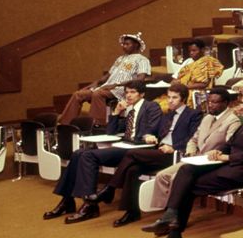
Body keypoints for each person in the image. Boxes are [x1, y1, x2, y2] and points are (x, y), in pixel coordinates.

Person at [143, 91, 243, 238]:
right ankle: (171, 220)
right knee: (186, 169)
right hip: (228, 166)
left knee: (187, 185)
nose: (241, 106)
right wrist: (216, 152)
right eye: (241, 102)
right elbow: (230, 144)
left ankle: (173, 231)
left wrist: (228, 156)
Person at [79, 82, 202, 227]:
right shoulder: (167, 115)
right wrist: (149, 136)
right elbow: (154, 133)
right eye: (168, 97)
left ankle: (110, 189)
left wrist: (174, 147)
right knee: (132, 170)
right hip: (158, 151)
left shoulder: (193, 114)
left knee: (131, 154)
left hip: (174, 154)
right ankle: (132, 212)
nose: (169, 100)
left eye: (174, 98)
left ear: (183, 99)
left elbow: (193, 137)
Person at [44, 81, 165, 222]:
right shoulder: (129, 109)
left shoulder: (151, 107)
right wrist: (116, 112)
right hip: (123, 146)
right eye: (126, 92)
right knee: (78, 153)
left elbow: (152, 130)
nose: (128, 95)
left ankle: (90, 205)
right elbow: (111, 132)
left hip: (137, 150)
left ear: (142, 94)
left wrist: (137, 137)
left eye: (133, 92)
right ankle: (67, 200)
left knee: (89, 156)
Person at [143, 89, 242, 213]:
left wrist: (212, 154)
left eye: (215, 102)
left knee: (176, 178)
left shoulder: (233, 121)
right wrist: (190, 152)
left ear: (226, 103)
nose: (210, 104)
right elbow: (193, 139)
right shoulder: (207, 118)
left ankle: (173, 213)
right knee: (162, 176)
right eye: (209, 101)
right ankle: (164, 210)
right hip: (195, 158)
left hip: (213, 162)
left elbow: (229, 145)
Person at [58, 32, 151, 126]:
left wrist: (117, 84)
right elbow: (107, 76)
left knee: (97, 94)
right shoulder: (120, 58)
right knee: (78, 94)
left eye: (127, 44)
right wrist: (96, 83)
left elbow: (140, 79)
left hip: (123, 89)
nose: (124, 46)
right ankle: (65, 125)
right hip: (107, 87)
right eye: (123, 44)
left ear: (136, 45)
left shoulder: (142, 60)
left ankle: (96, 124)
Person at [173, 39, 225, 107]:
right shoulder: (189, 62)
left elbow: (204, 84)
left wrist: (183, 87)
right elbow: (178, 77)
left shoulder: (207, 61)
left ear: (202, 50)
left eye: (194, 50)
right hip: (183, 90)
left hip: (197, 93)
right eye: (190, 51)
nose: (191, 53)